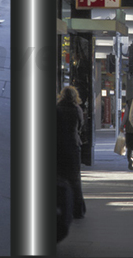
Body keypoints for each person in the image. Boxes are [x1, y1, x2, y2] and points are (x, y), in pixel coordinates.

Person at [56, 86, 86, 219]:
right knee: (75, 178)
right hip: (73, 146)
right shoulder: (77, 109)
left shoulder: (57, 109)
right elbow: (80, 125)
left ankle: (62, 208)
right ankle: (78, 210)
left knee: (60, 176)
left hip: (59, 146)